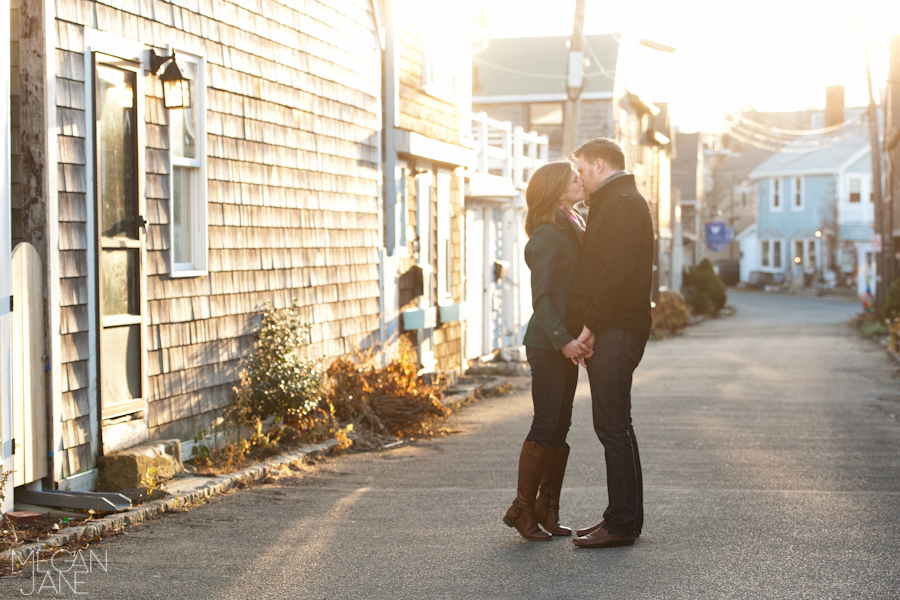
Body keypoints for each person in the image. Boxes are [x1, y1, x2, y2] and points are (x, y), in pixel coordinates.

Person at [566, 138, 654, 549]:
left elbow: (614, 273)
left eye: (581, 168)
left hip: (617, 328)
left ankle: (620, 524)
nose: (579, 175)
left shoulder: (621, 203)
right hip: (616, 327)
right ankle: (624, 519)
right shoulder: (617, 200)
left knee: (612, 426)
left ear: (599, 164)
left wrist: (590, 328)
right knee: (619, 424)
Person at [503, 161, 589, 541]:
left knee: (561, 424)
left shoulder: (571, 225)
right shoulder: (546, 236)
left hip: (564, 343)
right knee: (546, 421)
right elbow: (542, 298)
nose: (580, 180)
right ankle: (523, 510)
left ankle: (547, 510)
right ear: (555, 189)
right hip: (546, 342)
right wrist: (563, 339)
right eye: (573, 177)